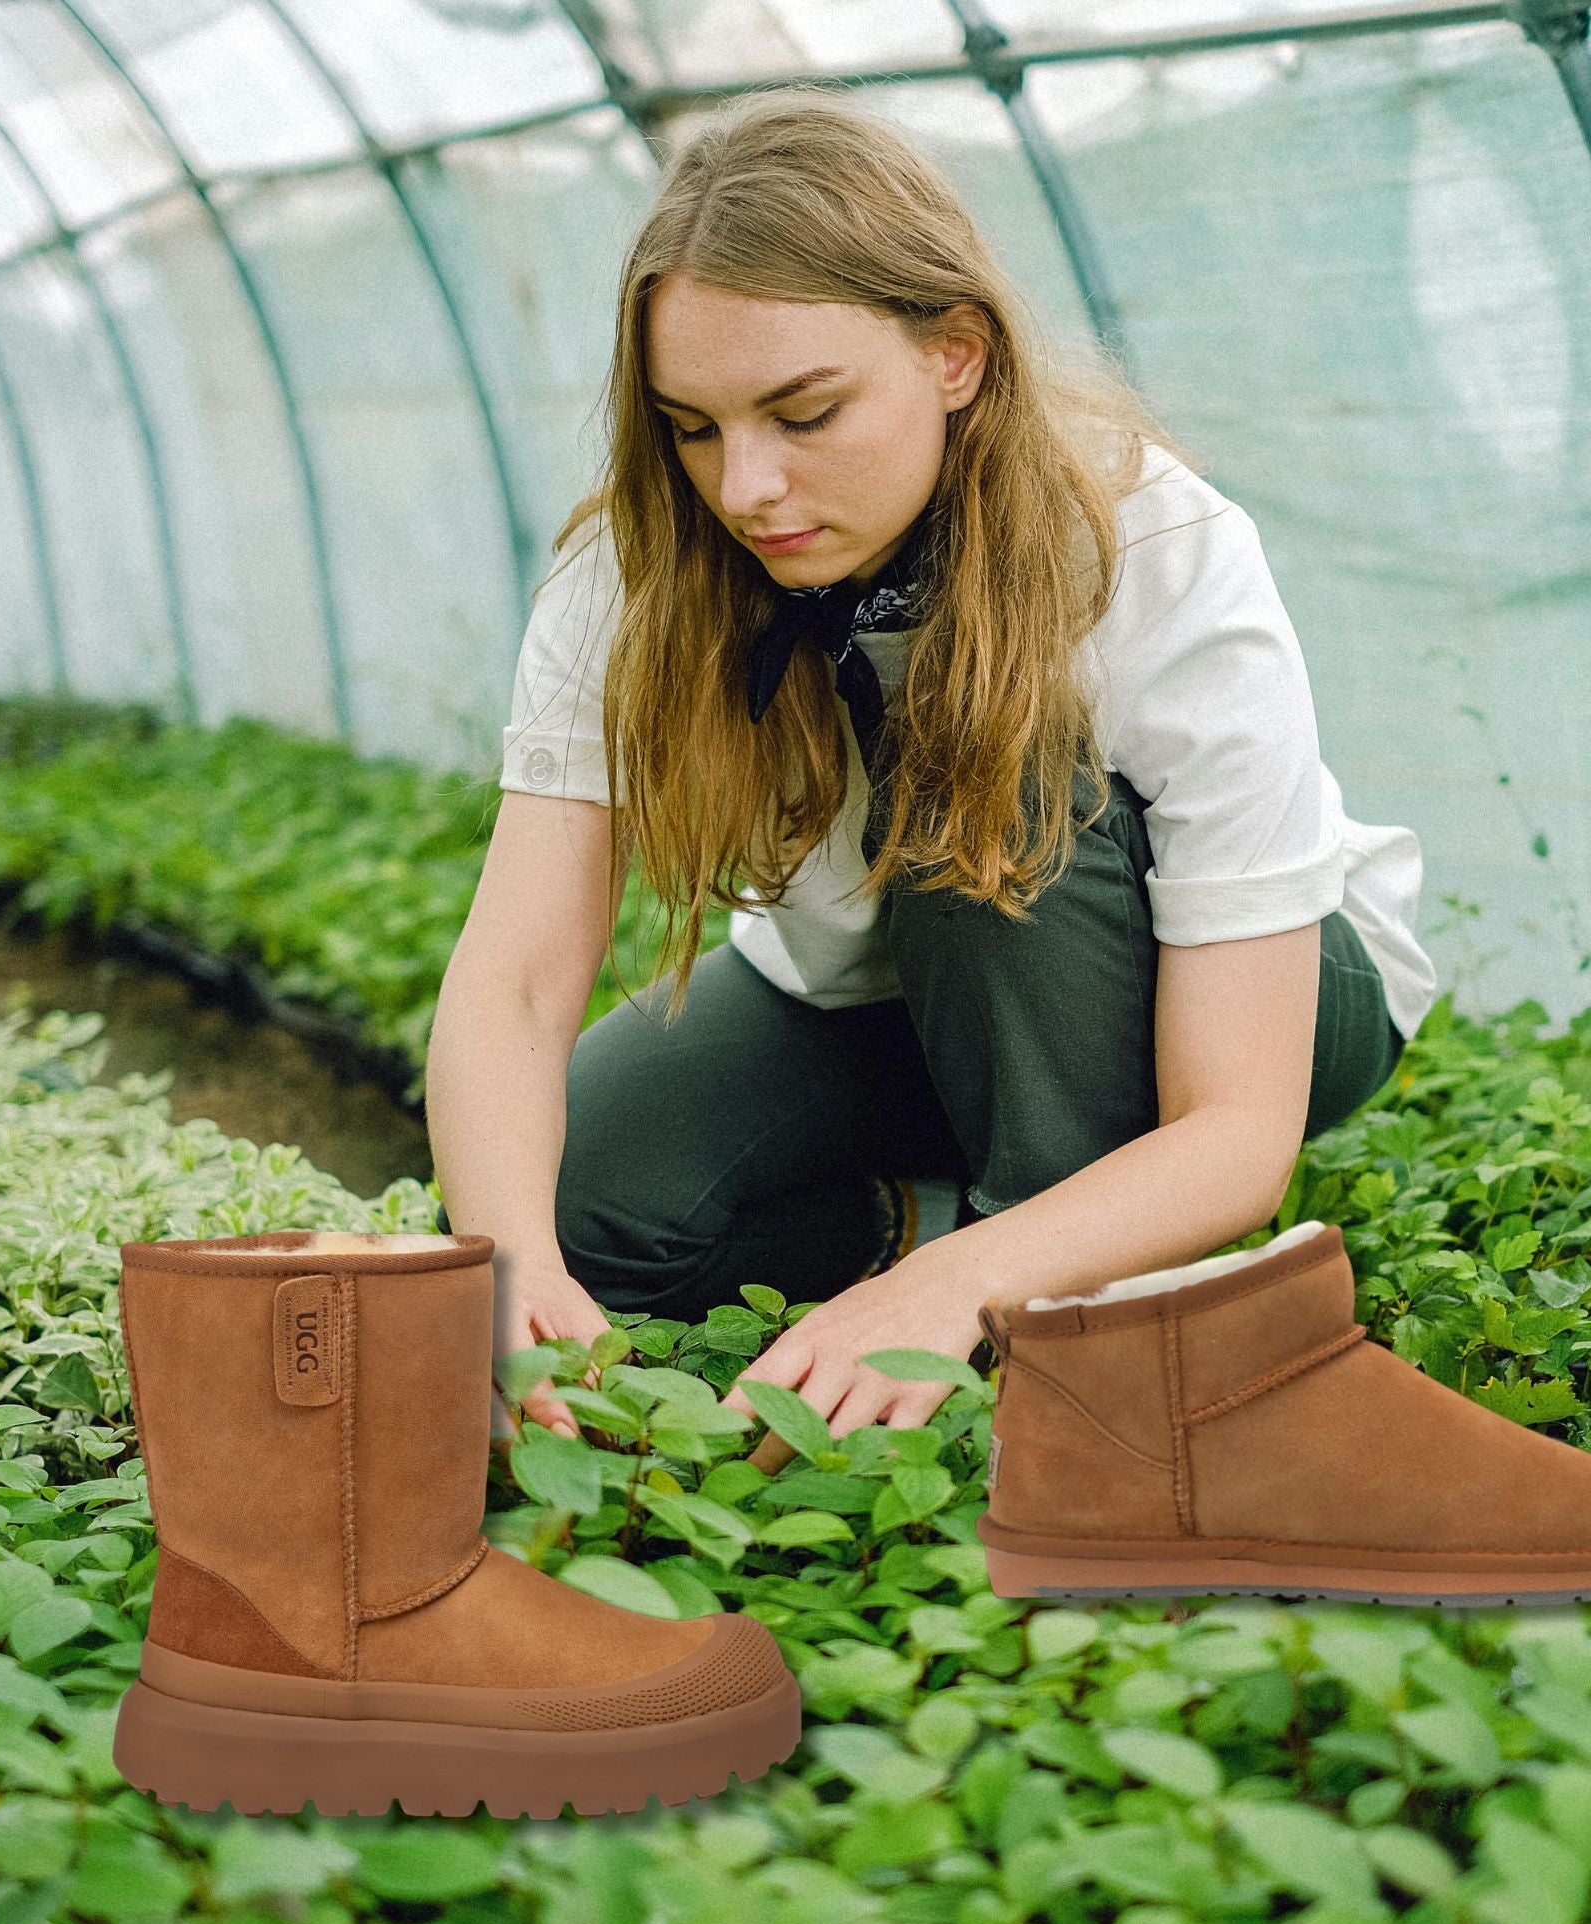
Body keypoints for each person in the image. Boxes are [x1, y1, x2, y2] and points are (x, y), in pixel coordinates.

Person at [425, 85, 1437, 1458]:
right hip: (891, 997)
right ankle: (934, 1212)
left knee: (988, 789)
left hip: (1238, 996)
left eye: (805, 412)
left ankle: (1081, 1337)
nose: (747, 489)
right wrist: (505, 1264)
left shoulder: (1142, 546)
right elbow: (516, 980)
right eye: (695, 426)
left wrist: (948, 1296)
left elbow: (1236, 1124)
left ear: (954, 354)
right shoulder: (638, 571)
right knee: (592, 1202)